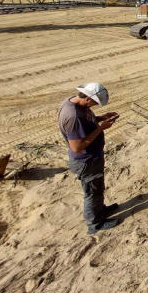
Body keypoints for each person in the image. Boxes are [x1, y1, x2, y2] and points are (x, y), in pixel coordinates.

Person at [58, 82, 121, 234]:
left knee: (97, 187)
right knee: (92, 192)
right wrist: (101, 128)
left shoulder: (74, 102)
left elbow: (88, 122)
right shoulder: (73, 117)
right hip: (86, 160)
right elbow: (77, 147)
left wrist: (100, 118)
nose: (95, 106)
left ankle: (100, 210)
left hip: (92, 157)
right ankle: (95, 224)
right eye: (95, 102)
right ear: (87, 98)